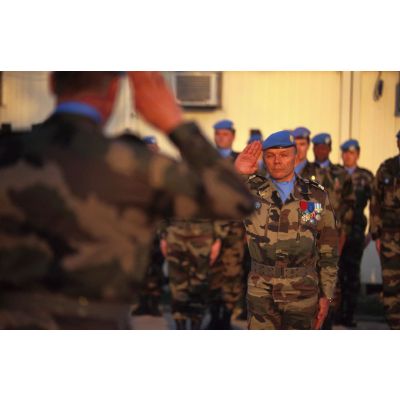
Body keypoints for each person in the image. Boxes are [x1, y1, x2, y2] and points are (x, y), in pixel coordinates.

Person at [0, 72, 254, 329]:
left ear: (51, 83)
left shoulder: (8, 152)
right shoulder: (137, 164)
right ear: (114, 90)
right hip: (98, 322)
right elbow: (235, 201)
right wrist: (175, 125)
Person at [234, 131, 339, 329]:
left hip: (302, 292)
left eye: (284, 155)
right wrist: (236, 173)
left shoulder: (314, 195)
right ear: (264, 159)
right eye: (270, 155)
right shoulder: (249, 190)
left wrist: (327, 295)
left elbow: (328, 249)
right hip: (261, 291)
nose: (277, 161)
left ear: (296, 156)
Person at [299, 132, 355, 328]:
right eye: (317, 147)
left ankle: (328, 320)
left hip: (334, 234)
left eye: (324, 147)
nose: (320, 150)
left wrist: (343, 234)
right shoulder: (304, 172)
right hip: (311, 235)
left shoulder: (341, 173)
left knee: (331, 279)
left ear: (330, 149)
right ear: (313, 148)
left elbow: (349, 205)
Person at [207, 119, 247, 329]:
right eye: (218, 134)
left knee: (232, 274)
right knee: (212, 274)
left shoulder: (242, 161)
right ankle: (214, 316)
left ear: (233, 136)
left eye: (225, 134)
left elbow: (251, 196)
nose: (221, 138)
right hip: (211, 227)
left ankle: (226, 318)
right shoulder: (206, 160)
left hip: (235, 230)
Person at [337, 139, 373, 327]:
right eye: (345, 153)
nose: (347, 156)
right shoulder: (335, 173)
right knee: (334, 273)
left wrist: (372, 232)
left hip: (356, 231)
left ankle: (349, 314)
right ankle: (334, 312)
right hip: (335, 231)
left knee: (352, 274)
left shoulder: (366, 176)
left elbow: (376, 205)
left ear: (358, 154)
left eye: (351, 153)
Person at [160, 219, 222, 329]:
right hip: (176, 233)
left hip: (202, 235)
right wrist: (162, 234)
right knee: (177, 283)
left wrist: (218, 237)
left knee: (199, 283)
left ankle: (195, 325)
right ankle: (180, 325)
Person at [370, 131, 400, 329]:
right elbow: (375, 201)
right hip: (390, 238)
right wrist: (376, 234)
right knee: (391, 286)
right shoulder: (386, 168)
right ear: (397, 143)